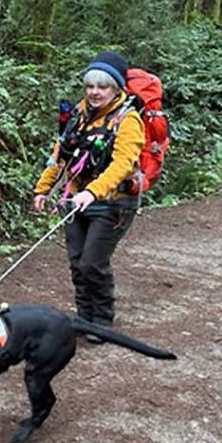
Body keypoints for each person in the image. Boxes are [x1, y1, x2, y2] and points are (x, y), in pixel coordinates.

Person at [32, 50, 144, 336]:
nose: (95, 92)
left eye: (102, 86)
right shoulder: (78, 116)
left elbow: (122, 163)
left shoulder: (128, 120)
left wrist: (93, 193)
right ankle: (83, 316)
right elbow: (59, 156)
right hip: (74, 199)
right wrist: (43, 189)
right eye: (90, 86)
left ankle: (102, 321)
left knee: (92, 262)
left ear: (116, 88)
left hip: (113, 202)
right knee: (76, 261)